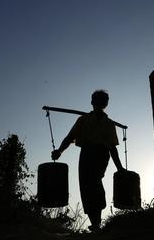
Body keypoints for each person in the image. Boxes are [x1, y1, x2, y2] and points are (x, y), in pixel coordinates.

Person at [51, 90, 124, 231]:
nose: (99, 102)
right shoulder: (83, 120)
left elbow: (112, 148)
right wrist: (59, 151)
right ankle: (95, 223)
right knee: (87, 186)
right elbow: (70, 137)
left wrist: (119, 168)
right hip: (86, 153)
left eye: (102, 100)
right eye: (97, 99)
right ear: (92, 102)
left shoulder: (109, 123)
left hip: (101, 155)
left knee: (94, 182)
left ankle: (96, 222)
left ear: (105, 103)